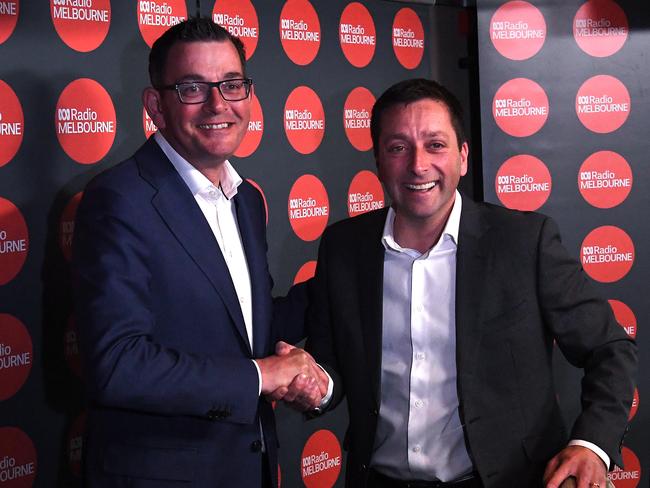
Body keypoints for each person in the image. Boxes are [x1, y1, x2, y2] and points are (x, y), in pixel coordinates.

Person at [301, 78, 637, 488]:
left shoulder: (524, 242)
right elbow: (331, 365)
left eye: (435, 145)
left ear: (463, 156)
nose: (418, 164)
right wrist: (315, 384)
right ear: (378, 160)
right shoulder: (342, 247)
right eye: (398, 147)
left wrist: (591, 445)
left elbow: (609, 347)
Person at [72, 18, 325, 488]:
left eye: (231, 85)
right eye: (192, 88)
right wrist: (260, 377)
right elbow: (117, 364)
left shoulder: (245, 199)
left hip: (249, 468)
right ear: (156, 106)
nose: (218, 104)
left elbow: (248, 326)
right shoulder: (119, 199)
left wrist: (351, 276)